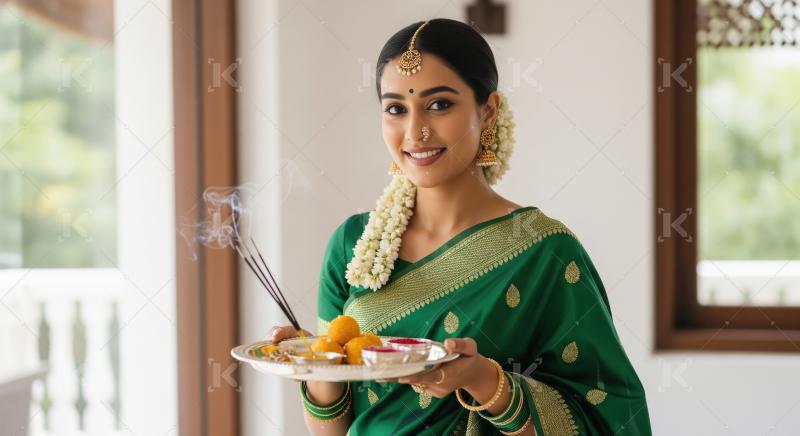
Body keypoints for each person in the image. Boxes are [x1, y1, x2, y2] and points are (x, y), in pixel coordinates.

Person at [270, 18, 652, 436]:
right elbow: (332, 432)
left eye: (439, 105)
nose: (415, 132)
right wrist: (316, 366)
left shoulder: (544, 252)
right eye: (396, 109)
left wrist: (484, 382)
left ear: (488, 112)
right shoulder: (352, 244)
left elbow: (610, 417)